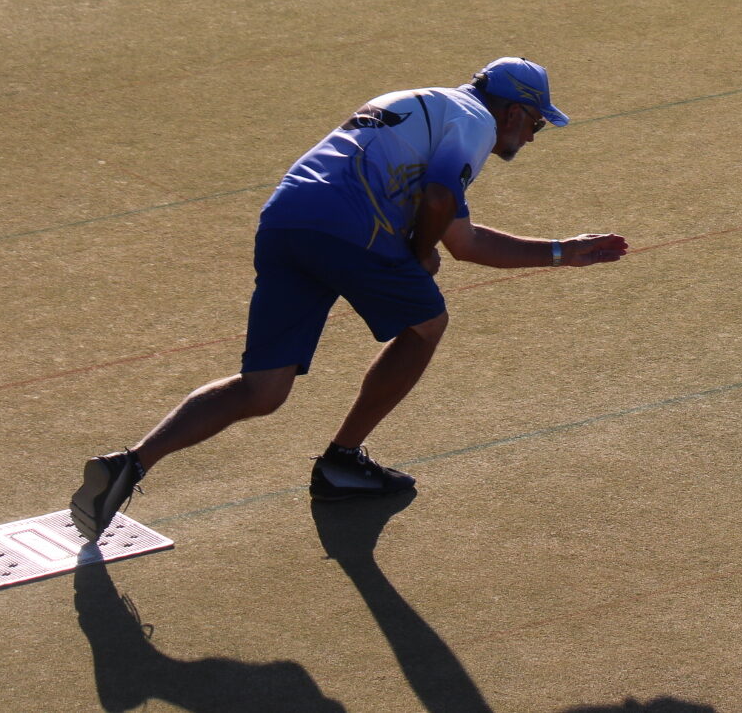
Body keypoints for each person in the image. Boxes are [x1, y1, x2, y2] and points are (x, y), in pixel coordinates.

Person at [71, 58, 628, 537]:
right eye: (535, 123)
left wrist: (559, 252)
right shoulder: (477, 122)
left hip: (286, 219)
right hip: (348, 225)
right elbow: (439, 206)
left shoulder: (415, 100)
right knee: (426, 323)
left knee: (262, 390)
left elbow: (459, 238)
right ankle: (341, 462)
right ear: (512, 111)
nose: (531, 137)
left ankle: (130, 465)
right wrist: (417, 251)